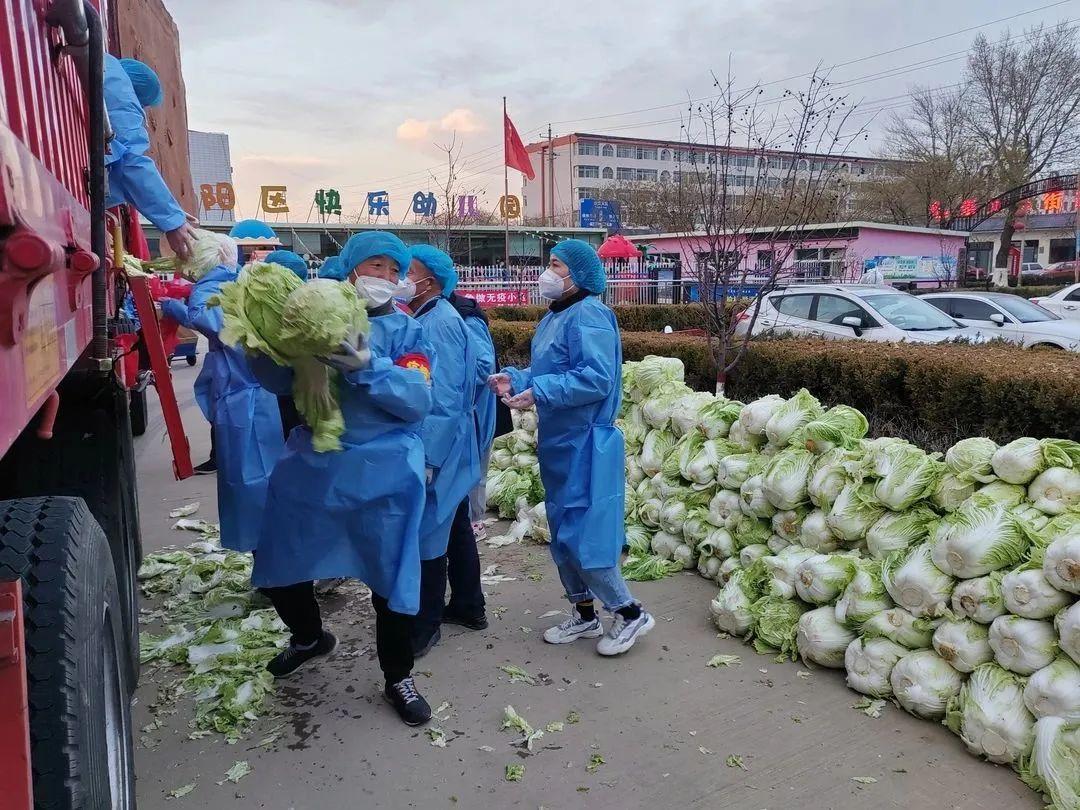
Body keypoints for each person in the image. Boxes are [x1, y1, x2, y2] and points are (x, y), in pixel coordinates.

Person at [249, 231, 436, 726]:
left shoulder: (406, 331)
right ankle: (309, 636)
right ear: (351, 268)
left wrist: (366, 365)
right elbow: (276, 382)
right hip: (315, 463)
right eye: (377, 266)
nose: (387, 279)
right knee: (282, 563)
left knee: (390, 577)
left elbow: (418, 398)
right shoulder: (313, 317)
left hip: (385, 469)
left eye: (395, 271)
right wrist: (257, 345)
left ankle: (398, 674)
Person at [491, 239, 654, 656]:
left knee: (587, 535)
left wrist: (540, 390)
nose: (548, 271)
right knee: (563, 534)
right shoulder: (555, 317)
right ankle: (584, 614)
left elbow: (596, 378)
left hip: (586, 441)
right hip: (560, 441)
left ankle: (629, 611)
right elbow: (551, 369)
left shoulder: (591, 314)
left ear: (578, 273)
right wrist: (518, 379)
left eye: (556, 264)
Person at [159, 234, 285, 552]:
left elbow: (221, 328)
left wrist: (180, 305)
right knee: (266, 482)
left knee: (252, 483)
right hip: (256, 394)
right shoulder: (240, 282)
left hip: (247, 397)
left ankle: (275, 566)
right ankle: (277, 561)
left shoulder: (213, 290)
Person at [405, 247, 483, 656]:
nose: (399, 277)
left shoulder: (440, 323)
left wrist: (430, 457)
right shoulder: (427, 317)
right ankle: (470, 606)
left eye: (407, 271)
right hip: (446, 440)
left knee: (429, 534)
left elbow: (446, 397)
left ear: (430, 281)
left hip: (442, 443)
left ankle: (426, 624)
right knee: (452, 524)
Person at [103, 55, 195, 261]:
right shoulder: (119, 93)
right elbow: (130, 162)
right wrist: (172, 221)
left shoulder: (105, 68)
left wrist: (173, 212)